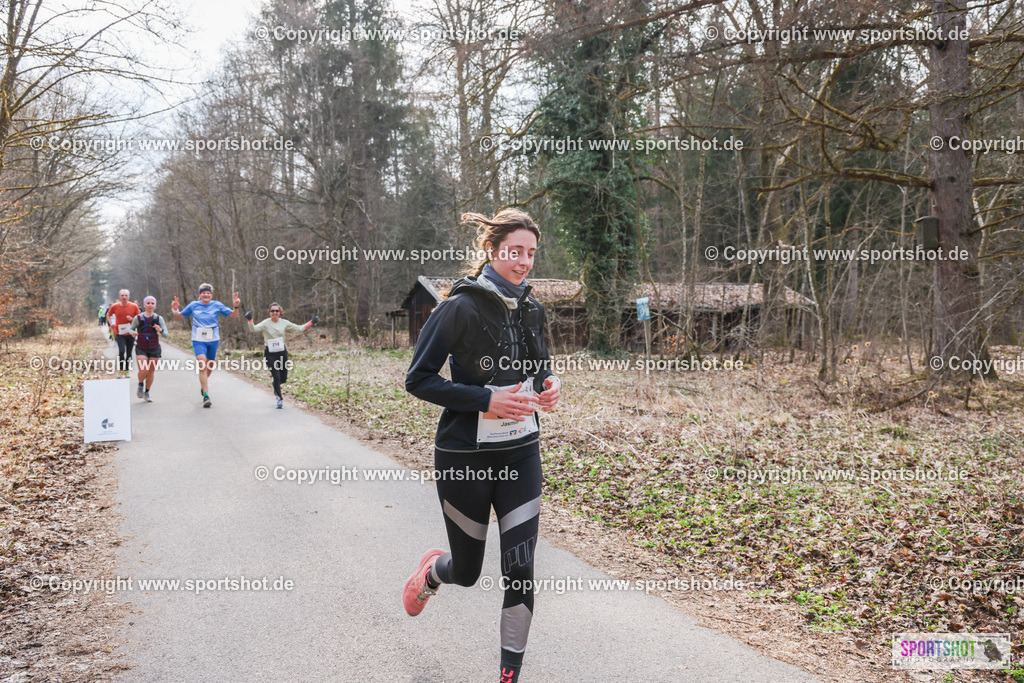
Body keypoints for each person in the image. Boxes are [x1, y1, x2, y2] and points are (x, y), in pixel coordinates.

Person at [403, 209, 561, 683]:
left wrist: (550, 386)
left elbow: (541, 366)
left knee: (520, 567)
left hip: (521, 452)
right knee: (468, 571)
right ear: (492, 251)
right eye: (515, 251)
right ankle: (434, 573)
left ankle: (508, 675)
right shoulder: (459, 306)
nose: (524, 261)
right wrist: (485, 399)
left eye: (531, 253)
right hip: (464, 457)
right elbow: (418, 379)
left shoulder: (532, 308)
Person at [170, 283, 240, 407]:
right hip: (198, 339)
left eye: (208, 293)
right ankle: (206, 396)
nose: (206, 294)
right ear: (200, 295)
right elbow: (178, 317)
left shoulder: (217, 305)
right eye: (203, 293)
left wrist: (236, 307)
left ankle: (204, 385)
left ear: (211, 295)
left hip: (213, 339)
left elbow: (234, 315)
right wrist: (175, 309)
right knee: (202, 363)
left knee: (209, 366)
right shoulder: (193, 305)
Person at [245, 303, 318, 409]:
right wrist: (250, 320)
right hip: (270, 353)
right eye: (272, 311)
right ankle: (279, 399)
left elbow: (299, 328)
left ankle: (275, 384)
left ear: (280, 312)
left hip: (281, 352)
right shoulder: (266, 323)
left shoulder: (284, 323)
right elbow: (254, 329)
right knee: (276, 375)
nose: (274, 313)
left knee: (283, 378)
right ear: (269, 312)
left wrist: (311, 322)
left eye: (276, 311)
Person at [131, 296, 169, 402]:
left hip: (154, 347)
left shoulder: (158, 318)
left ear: (155, 305)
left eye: (152, 303)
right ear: (144, 305)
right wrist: (133, 333)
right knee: (143, 370)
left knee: (151, 372)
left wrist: (160, 330)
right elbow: (130, 329)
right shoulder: (138, 318)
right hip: (141, 346)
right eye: (148, 303)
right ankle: (140, 384)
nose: (150, 305)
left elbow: (166, 335)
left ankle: (147, 392)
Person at [107, 290, 141, 378]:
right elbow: (108, 315)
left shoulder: (134, 306)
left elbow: (140, 318)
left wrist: (132, 319)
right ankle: (121, 369)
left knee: (129, 353)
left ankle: (126, 370)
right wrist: (111, 323)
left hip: (130, 333)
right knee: (121, 351)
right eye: (122, 295)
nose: (124, 297)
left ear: (129, 297)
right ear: (120, 297)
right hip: (119, 333)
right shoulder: (115, 306)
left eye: (126, 295)